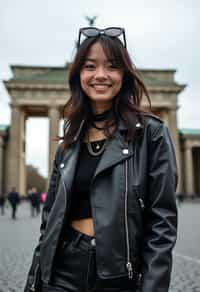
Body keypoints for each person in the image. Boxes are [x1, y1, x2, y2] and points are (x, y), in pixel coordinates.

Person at [24, 27, 178, 292]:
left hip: (118, 275)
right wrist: (35, 280)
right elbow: (49, 220)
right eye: (90, 66)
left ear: (124, 76)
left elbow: (162, 223)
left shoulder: (151, 134)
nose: (100, 75)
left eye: (112, 66)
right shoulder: (69, 143)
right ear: (79, 75)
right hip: (62, 270)